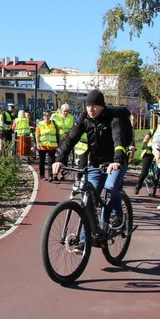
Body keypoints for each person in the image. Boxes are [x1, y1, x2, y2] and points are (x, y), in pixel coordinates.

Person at [52, 89, 133, 229]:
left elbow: (118, 140)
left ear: (102, 106)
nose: (91, 109)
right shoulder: (84, 118)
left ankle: (117, 215)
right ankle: (84, 241)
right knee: (89, 201)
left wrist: (117, 161)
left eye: (94, 106)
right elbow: (71, 139)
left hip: (115, 162)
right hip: (96, 163)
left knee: (111, 186)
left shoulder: (113, 118)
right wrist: (60, 159)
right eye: (88, 106)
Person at [35, 110, 60, 180]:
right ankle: (42, 175)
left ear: (50, 116)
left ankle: (50, 176)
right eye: (45, 115)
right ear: (43, 116)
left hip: (52, 146)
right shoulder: (40, 124)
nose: (46, 117)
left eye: (48, 115)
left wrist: (58, 143)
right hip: (42, 146)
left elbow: (58, 134)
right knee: (41, 162)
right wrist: (37, 143)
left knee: (51, 162)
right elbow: (37, 135)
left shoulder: (54, 124)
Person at [133, 127, 156, 195]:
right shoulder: (153, 131)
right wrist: (146, 145)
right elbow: (145, 140)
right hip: (148, 152)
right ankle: (138, 186)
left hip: (159, 153)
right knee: (144, 171)